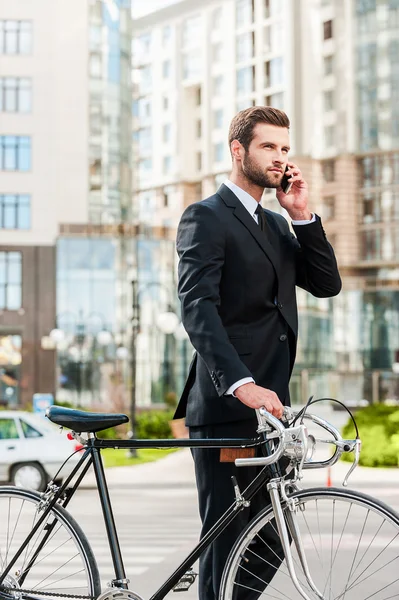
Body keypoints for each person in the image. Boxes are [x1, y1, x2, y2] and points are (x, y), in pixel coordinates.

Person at [173, 106, 341, 600]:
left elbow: (326, 284)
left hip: (271, 409)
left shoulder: (277, 224)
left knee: (268, 537)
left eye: (285, 149)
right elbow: (196, 308)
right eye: (269, 146)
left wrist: (302, 216)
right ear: (238, 150)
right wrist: (241, 384)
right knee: (226, 542)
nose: (279, 158)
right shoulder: (205, 216)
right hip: (230, 405)